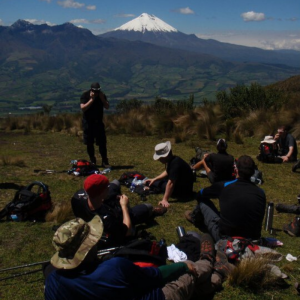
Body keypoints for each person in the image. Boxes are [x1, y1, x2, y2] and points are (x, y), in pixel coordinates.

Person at [44, 215, 225, 300]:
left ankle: (213, 276)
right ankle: (210, 264)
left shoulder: (53, 282)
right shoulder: (113, 268)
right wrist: (184, 266)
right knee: (190, 274)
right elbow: (156, 276)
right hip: (158, 297)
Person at [185, 155, 266, 242]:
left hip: (226, 239)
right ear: (253, 172)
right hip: (253, 240)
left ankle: (195, 217)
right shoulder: (261, 193)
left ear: (236, 170)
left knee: (202, 200)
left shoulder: (224, 186)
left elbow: (201, 194)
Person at [71, 174, 167, 246]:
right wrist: (124, 206)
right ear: (101, 193)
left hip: (101, 203)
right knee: (147, 207)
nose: (108, 187)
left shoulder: (77, 197)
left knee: (115, 183)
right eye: (106, 187)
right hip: (120, 216)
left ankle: (116, 197)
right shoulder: (107, 219)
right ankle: (152, 212)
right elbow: (127, 231)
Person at [146, 141, 194, 208]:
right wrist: (155, 178)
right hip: (185, 186)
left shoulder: (175, 164)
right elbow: (167, 171)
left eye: (160, 158)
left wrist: (165, 199)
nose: (159, 160)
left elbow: (171, 183)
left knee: (157, 184)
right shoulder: (174, 160)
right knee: (156, 181)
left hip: (182, 191)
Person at [80, 82, 110, 168]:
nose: (97, 93)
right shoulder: (85, 95)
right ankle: (92, 160)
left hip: (98, 123)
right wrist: (91, 100)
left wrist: (102, 99)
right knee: (89, 143)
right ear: (91, 90)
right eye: (95, 91)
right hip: (88, 123)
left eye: (98, 91)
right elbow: (83, 108)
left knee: (102, 143)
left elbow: (107, 106)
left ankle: (104, 160)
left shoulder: (101, 95)